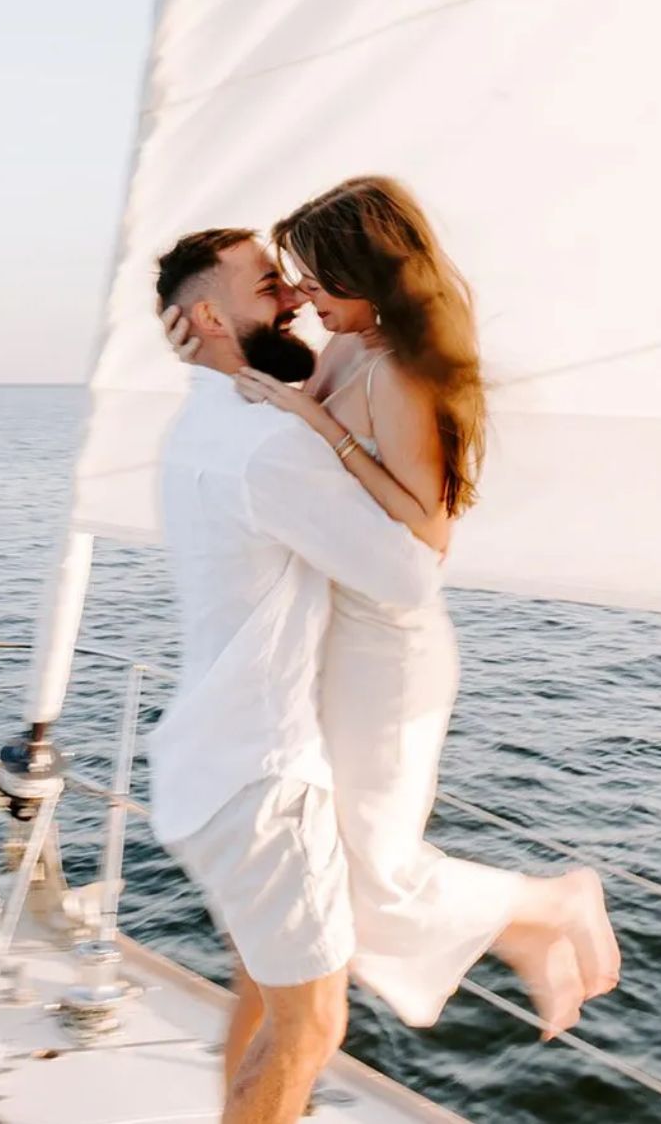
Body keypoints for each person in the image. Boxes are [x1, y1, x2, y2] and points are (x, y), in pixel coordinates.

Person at [162, 177, 620, 1037]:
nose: (300, 297)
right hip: (340, 634)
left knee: (375, 873)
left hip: (390, 647)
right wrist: (200, 337)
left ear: (369, 280)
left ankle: (550, 904)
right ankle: (527, 927)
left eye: (314, 281)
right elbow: (254, 374)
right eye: (289, 280)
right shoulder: (342, 348)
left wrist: (323, 426)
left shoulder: (406, 375)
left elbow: (427, 534)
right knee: (348, 870)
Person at [147, 227, 445, 1124]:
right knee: (311, 1024)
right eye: (270, 284)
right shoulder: (268, 443)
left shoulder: (198, 418)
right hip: (266, 780)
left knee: (263, 992)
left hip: (207, 767)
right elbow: (406, 578)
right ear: (206, 312)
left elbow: (321, 354)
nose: (291, 298)